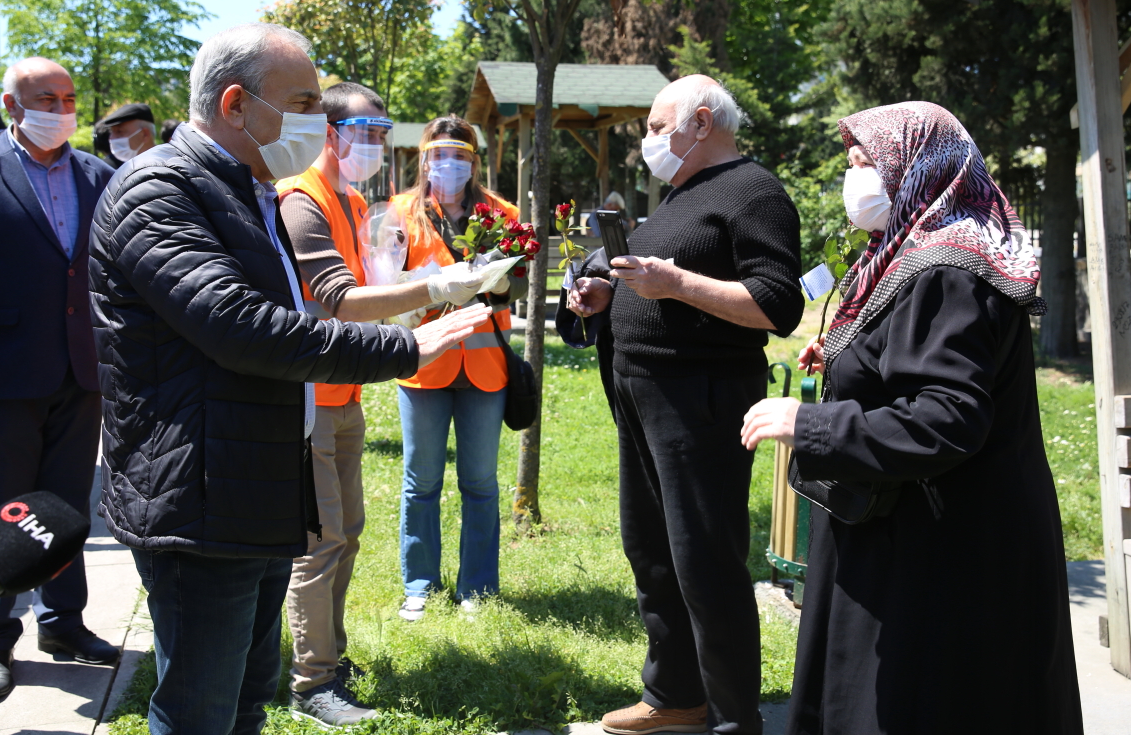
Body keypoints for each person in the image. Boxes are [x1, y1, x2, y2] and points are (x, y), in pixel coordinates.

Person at [89, 22, 490, 735]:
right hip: (199, 501)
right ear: (237, 104)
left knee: (247, 700)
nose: (320, 120)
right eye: (304, 101)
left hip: (255, 484)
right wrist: (403, 349)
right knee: (198, 712)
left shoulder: (248, 187)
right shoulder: (159, 189)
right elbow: (243, 328)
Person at [740, 102, 1083, 735]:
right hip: (923, 540)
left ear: (917, 167)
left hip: (942, 560)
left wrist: (809, 423)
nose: (855, 178)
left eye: (865, 162)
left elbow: (947, 417)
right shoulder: (922, 250)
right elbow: (911, 358)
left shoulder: (947, 268)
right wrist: (850, 360)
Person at [566, 75, 803, 735]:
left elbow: (776, 304)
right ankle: (674, 694)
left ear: (701, 122)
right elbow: (657, 287)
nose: (647, 141)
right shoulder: (681, 193)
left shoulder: (755, 192)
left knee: (705, 560)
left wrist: (675, 282)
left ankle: (733, 719)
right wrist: (610, 297)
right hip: (645, 395)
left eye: (654, 125)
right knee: (653, 549)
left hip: (701, 401)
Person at [275, 83, 494, 725]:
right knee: (319, 542)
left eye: (381, 132)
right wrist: (433, 285)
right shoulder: (303, 200)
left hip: (342, 390)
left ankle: (331, 657)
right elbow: (339, 299)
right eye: (363, 131)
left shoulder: (349, 199)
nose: (373, 144)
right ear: (327, 130)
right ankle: (309, 681)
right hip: (310, 395)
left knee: (348, 533)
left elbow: (370, 283)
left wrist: (412, 286)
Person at [0, 58, 119, 703]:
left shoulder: (98, 174)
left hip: (80, 370)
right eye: (45, 98)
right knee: (5, 510)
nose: (60, 109)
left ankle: (63, 624)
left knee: (66, 509)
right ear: (12, 104)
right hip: (2, 375)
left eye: (67, 98)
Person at [390, 114, 527, 622]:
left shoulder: (502, 212)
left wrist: (495, 282)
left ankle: (477, 588)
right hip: (424, 363)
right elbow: (388, 281)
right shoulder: (401, 211)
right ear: (424, 159)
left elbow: (514, 284)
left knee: (479, 481)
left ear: (475, 162)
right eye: (439, 155)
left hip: (485, 364)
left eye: (460, 156)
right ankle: (420, 584)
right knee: (420, 480)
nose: (448, 165)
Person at [94, 102, 156, 167]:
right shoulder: (119, 170)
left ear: (145, 134)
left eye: (119, 131)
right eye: (112, 132)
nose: (111, 138)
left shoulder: (164, 169)